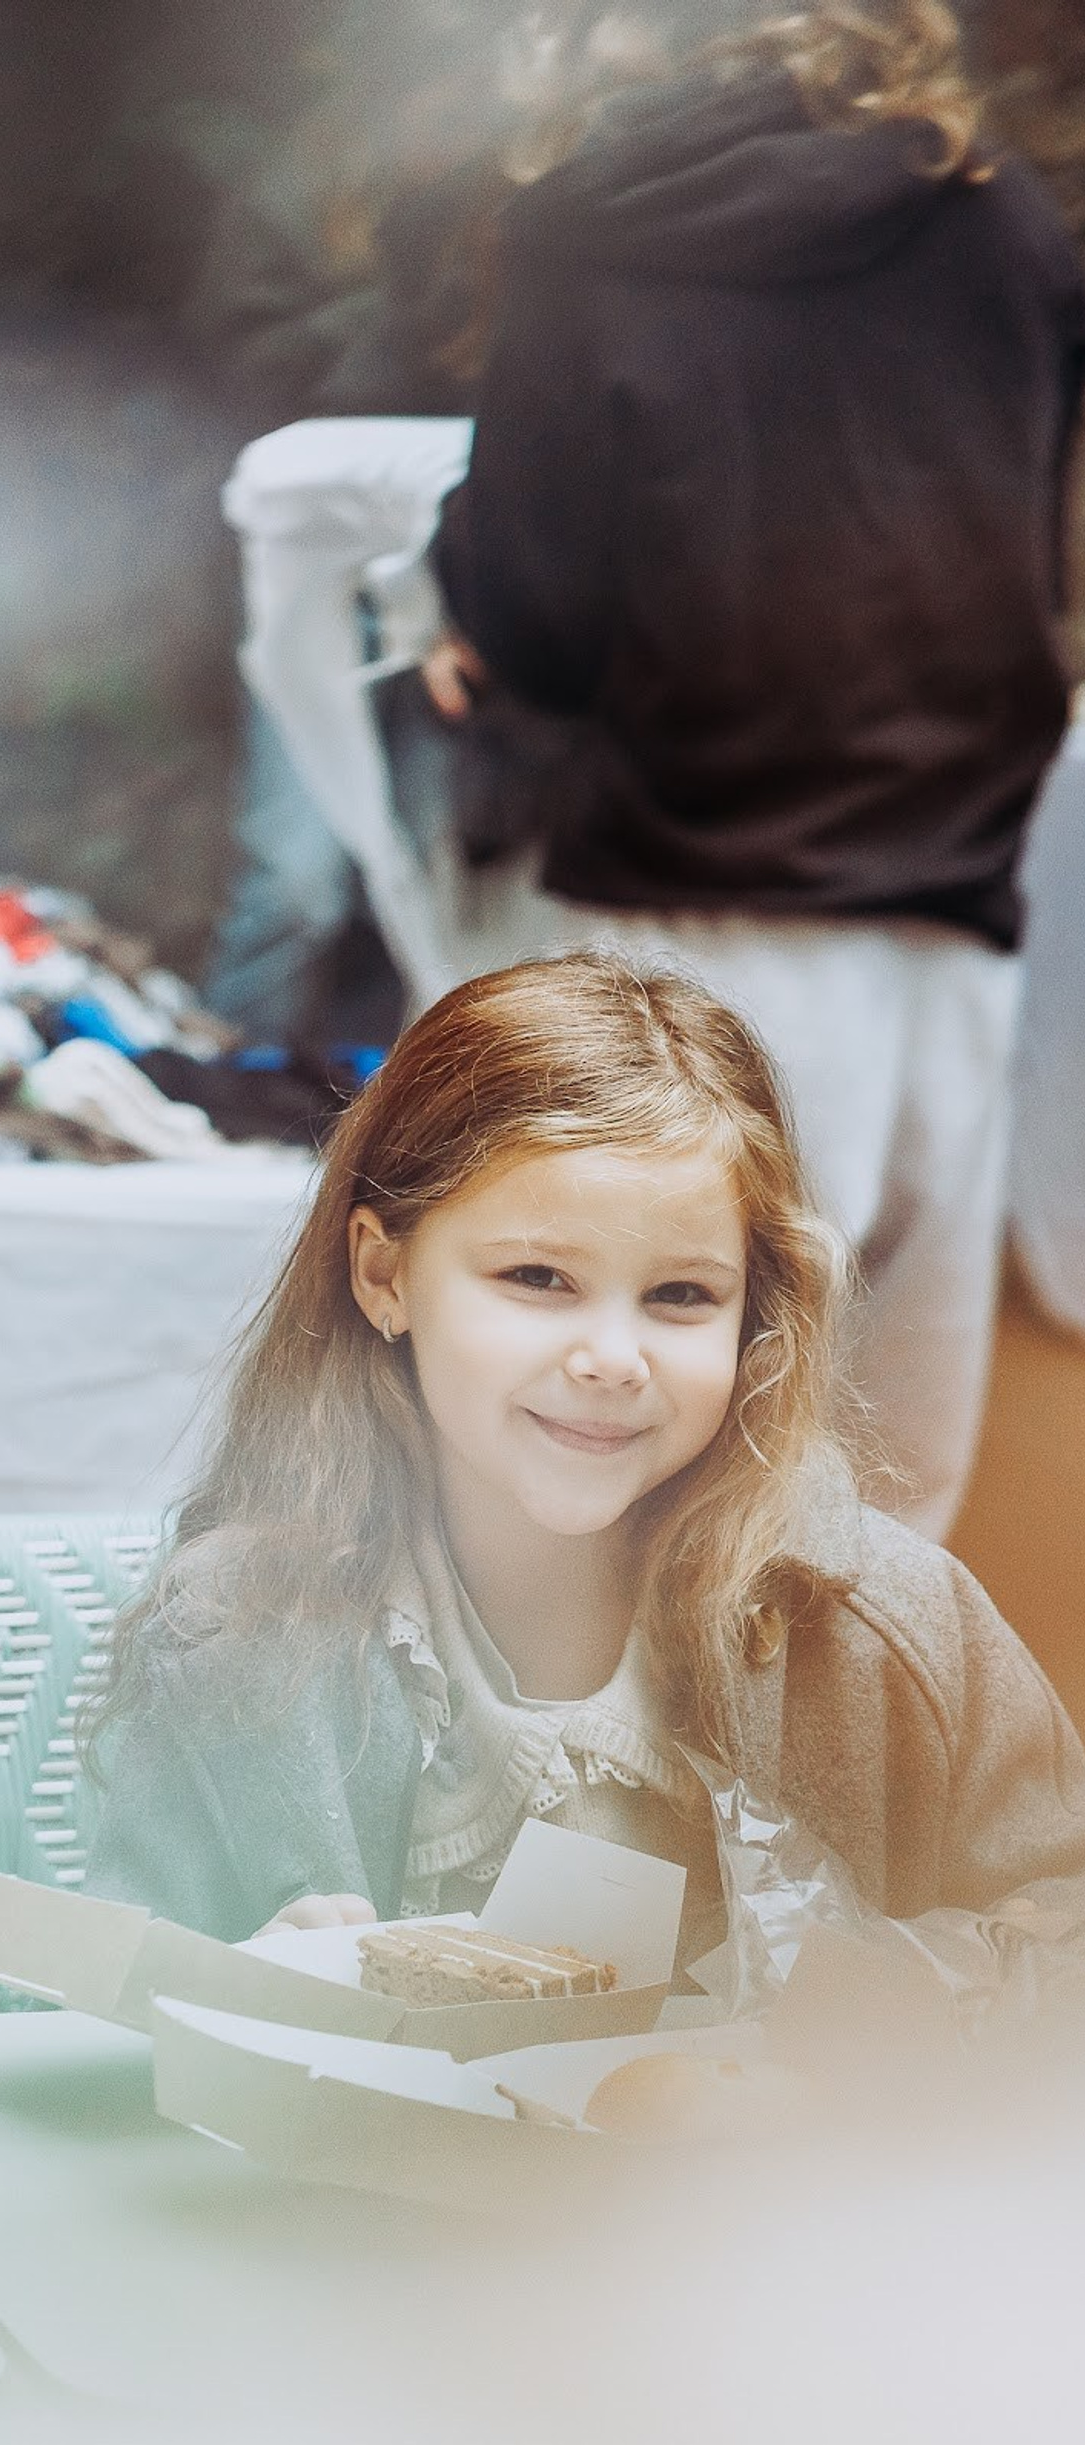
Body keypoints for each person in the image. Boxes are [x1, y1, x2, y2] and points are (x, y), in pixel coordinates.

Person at [424, 0, 1085, 1536]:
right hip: (950, 906)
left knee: (643, 1490)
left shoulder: (588, 229)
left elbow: (540, 607)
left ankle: (642, 1789)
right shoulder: (990, 211)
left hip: (694, 924)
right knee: (884, 1506)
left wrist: (463, 607)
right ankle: (845, 1787)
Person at [82, 953, 1085, 1961]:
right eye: (538, 1276)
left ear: (753, 1320)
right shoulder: (235, 1634)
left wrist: (876, 2005)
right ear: (383, 1274)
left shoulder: (888, 1629)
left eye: (681, 1296)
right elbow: (105, 2024)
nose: (612, 1358)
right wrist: (232, 1981)